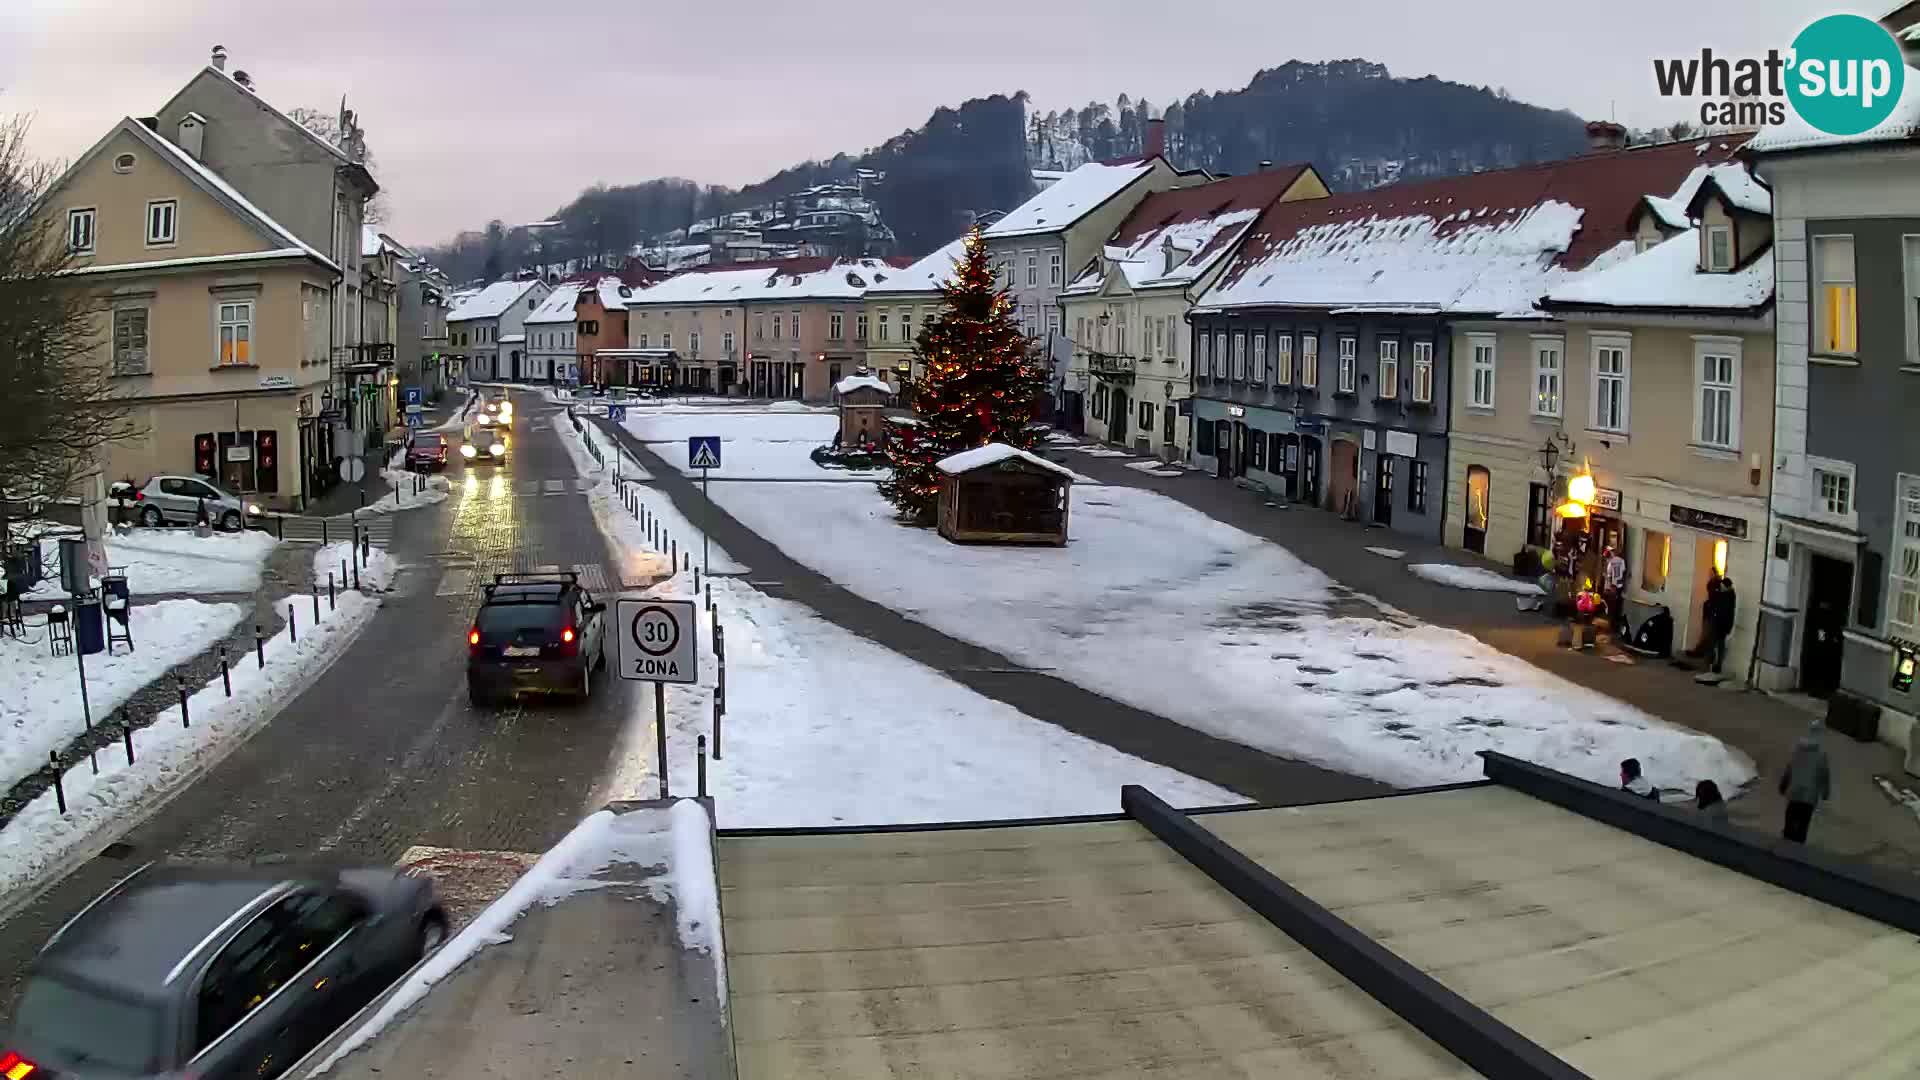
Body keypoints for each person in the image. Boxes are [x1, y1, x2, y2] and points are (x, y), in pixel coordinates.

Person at [1778, 718, 1832, 843]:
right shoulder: (1821, 755)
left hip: (1794, 793)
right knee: (1802, 827)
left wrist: (1783, 785)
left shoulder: (1798, 750)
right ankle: (1797, 850)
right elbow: (1824, 775)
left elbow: (1789, 769)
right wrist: (1825, 793)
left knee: (1789, 822)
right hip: (1809, 798)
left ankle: (1785, 844)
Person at [1705, 575, 1737, 675]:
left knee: (1717, 645)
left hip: (1720, 624)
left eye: (1722, 586)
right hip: (1721, 623)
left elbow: (1727, 612)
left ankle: (1715, 665)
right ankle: (1714, 665)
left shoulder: (1726, 596)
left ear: (1726, 587)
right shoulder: (1726, 595)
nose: (1721, 587)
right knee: (1717, 645)